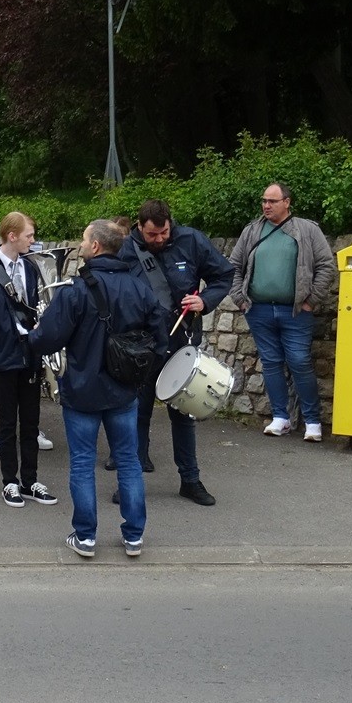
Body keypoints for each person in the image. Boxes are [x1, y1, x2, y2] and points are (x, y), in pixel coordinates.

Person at [29, 219, 166, 559]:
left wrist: (35, 331)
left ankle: (86, 538)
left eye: (84, 239)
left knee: (82, 464)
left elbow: (47, 339)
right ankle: (134, 537)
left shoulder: (76, 289)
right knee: (130, 463)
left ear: (95, 247)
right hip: (124, 390)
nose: (82, 243)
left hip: (82, 390)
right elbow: (160, 336)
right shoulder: (139, 287)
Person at [125, 198, 234, 505]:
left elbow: (223, 275)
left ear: (170, 223)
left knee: (183, 414)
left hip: (181, 342)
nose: (159, 239)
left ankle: (190, 479)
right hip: (140, 345)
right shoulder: (126, 249)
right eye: (152, 235)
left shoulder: (192, 240)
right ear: (139, 226)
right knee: (137, 414)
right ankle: (130, 482)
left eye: (163, 233)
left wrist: (205, 301)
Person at [229, 181, 338, 441]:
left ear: (286, 202)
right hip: (259, 310)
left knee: (299, 362)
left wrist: (311, 301)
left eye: (272, 201)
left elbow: (326, 266)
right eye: (264, 201)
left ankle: (312, 421)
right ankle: (281, 417)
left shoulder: (307, 230)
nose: (266, 205)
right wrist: (240, 300)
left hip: (296, 311)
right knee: (271, 364)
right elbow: (233, 266)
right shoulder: (252, 231)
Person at [0, 212, 59, 509]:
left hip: (29, 355)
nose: (33, 241)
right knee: (7, 422)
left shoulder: (31, 268)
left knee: (31, 421)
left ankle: (30, 479)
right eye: (29, 236)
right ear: (12, 236)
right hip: (2, 357)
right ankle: (9, 481)